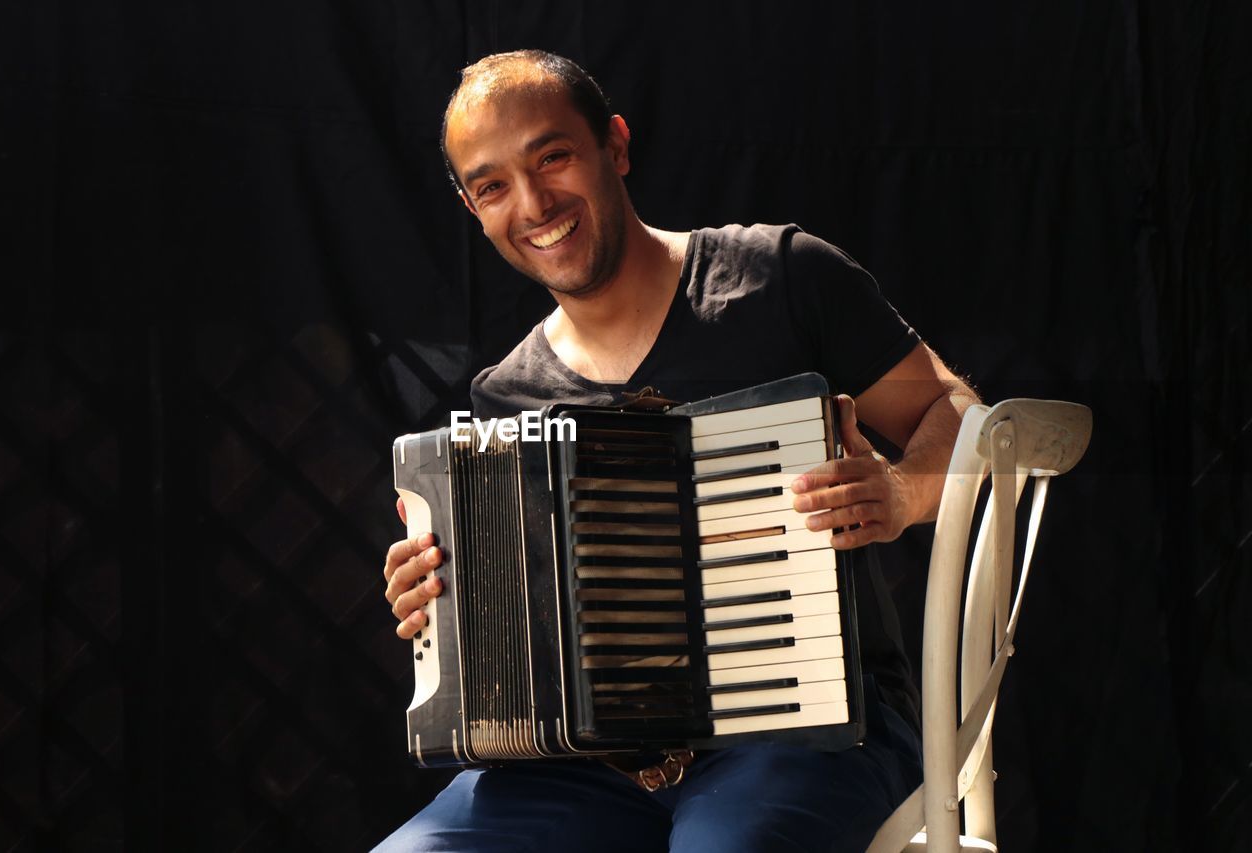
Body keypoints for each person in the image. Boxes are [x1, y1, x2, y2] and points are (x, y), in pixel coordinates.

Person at [376, 50, 979, 852]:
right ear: (472, 208)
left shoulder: (782, 278)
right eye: (493, 186)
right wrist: (441, 607)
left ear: (615, 146)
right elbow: (524, 639)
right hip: (580, 768)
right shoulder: (504, 397)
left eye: (553, 156)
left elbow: (957, 410)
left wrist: (902, 493)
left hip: (813, 732)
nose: (533, 203)